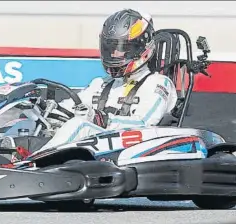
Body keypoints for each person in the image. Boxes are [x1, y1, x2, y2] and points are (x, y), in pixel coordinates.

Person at [37, 8, 179, 150]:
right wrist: (42, 110)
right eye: (111, 48)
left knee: (79, 125)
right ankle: (19, 157)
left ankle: (30, 166)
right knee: (40, 123)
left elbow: (145, 124)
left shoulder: (158, 83)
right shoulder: (101, 83)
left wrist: (100, 118)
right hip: (96, 154)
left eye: (123, 48)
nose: (115, 53)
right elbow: (70, 107)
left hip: (133, 150)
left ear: (142, 48)